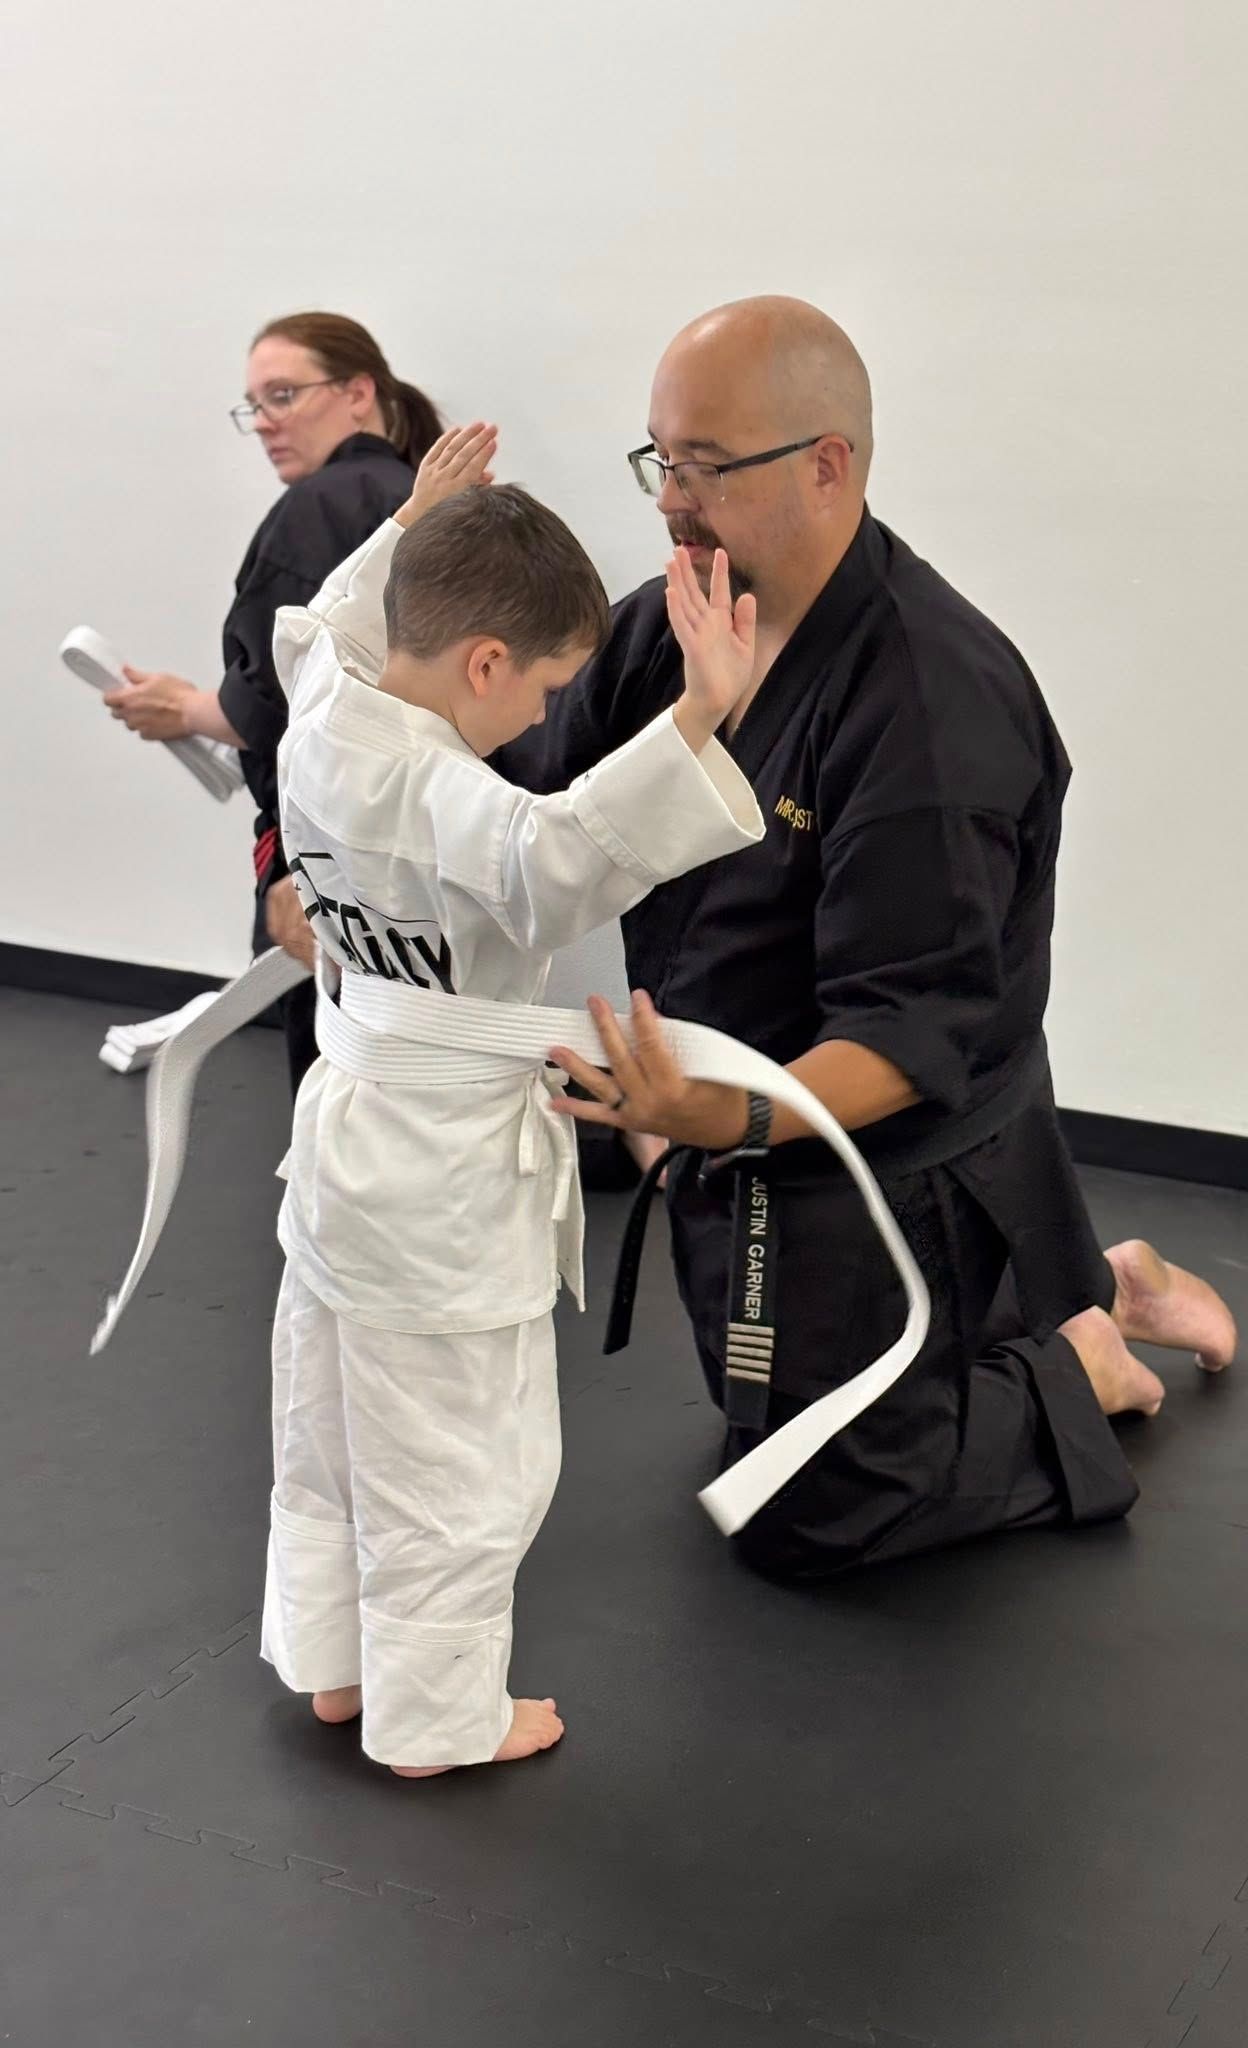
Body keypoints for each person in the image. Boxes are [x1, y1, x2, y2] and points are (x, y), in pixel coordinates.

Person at [497, 295, 1240, 1581]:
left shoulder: (930, 701)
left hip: (886, 1148)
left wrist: (711, 1118)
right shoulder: (672, 618)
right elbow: (535, 801)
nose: (670, 497)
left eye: (707, 465)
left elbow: (907, 1036)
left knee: (810, 1507)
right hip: (725, 1120)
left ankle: (1081, 1348)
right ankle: (1081, 1284)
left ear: (827, 463)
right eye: (659, 458)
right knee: (751, 1423)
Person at [263, 424, 763, 1774]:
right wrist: (699, 713)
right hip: (436, 1183)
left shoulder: (328, 713)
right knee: (458, 1460)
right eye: (540, 690)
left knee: (328, 1423)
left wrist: (413, 524)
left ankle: (334, 1663)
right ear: (485, 663)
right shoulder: (438, 794)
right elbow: (556, 862)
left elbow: (326, 630)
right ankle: (437, 1718)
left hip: (343, 1146)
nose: (541, 720)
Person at [102, 313, 441, 1093]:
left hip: (332, 856)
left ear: (359, 393)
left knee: (338, 1080)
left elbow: (276, 708)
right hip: (432, 847)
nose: (264, 423)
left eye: (283, 396)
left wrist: (186, 711)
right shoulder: (420, 500)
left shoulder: (321, 508)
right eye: (254, 404)